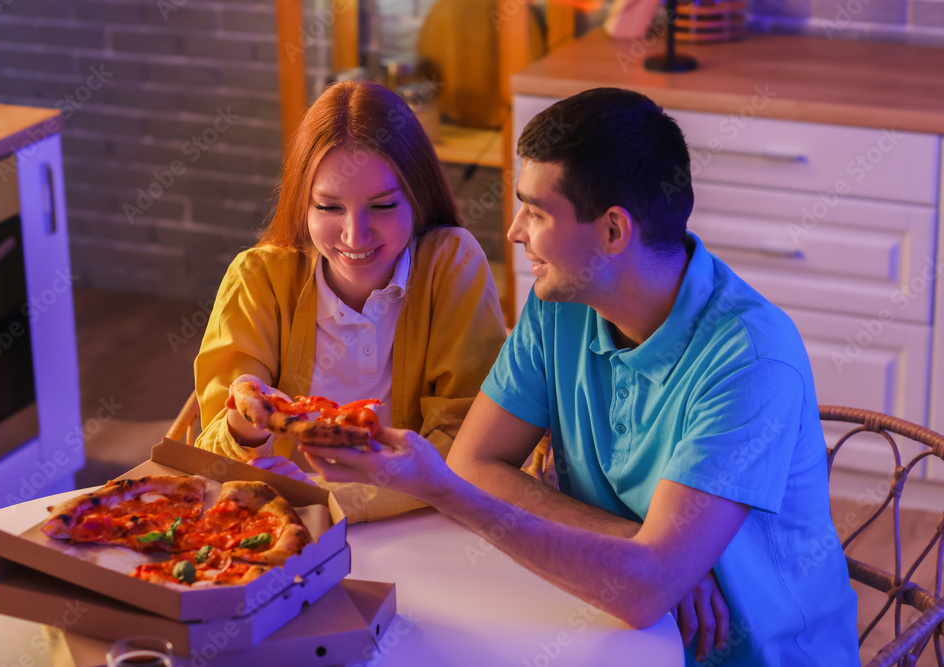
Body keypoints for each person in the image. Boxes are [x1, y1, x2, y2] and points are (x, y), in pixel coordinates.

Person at [300, 87, 861, 666]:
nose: (515, 232)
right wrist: (643, 552)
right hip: (602, 626)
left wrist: (444, 492)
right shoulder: (560, 302)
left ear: (613, 233)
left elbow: (643, 592)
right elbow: (476, 462)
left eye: (537, 212)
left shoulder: (749, 360)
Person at [193, 80, 507, 522]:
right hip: (286, 527)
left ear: (417, 199)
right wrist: (243, 428)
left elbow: (467, 444)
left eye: (382, 206)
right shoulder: (258, 277)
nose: (354, 237)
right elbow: (209, 459)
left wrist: (325, 501)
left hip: (417, 525)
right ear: (302, 203)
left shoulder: (451, 262)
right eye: (329, 208)